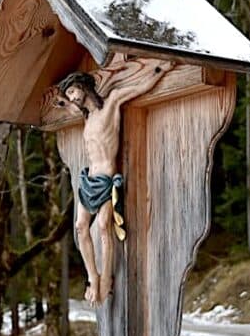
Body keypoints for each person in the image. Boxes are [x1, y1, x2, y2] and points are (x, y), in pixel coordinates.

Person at [57, 56, 175, 306]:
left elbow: (137, 88)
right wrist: (60, 103)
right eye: (69, 93)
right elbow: (68, 108)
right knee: (80, 228)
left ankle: (106, 278)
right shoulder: (85, 117)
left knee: (102, 227)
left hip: (106, 178)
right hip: (88, 180)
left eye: (73, 90)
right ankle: (93, 277)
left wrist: (159, 69)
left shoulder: (110, 105)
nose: (72, 96)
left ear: (83, 86)